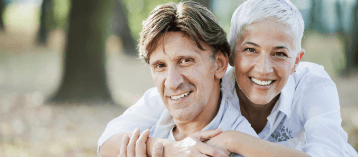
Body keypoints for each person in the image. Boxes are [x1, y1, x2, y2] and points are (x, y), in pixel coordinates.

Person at [99, 0, 358, 156]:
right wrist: (174, 150)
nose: (263, 68)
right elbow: (107, 140)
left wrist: (233, 140)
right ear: (232, 56)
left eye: (279, 54)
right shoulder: (199, 84)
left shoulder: (312, 85)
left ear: (296, 61)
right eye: (250, 50)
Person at [101, 1, 259, 157]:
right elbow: (106, 143)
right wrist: (172, 149)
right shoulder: (155, 115)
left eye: (185, 61)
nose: (172, 82)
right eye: (160, 65)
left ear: (219, 65)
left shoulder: (241, 145)